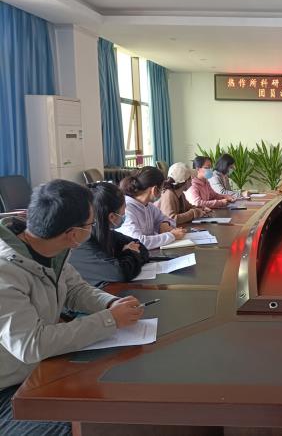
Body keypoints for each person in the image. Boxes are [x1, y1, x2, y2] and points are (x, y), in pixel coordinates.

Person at [0, 180, 143, 435]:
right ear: (74, 233)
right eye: (91, 224)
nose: (93, 228)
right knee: (84, 421)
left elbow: (75, 290)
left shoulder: (50, 248)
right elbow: (31, 344)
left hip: (39, 368)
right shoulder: (5, 272)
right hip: (10, 386)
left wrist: (111, 303)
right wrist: (110, 320)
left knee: (111, 396)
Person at [69, 182, 150, 287]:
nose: (125, 214)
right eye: (123, 211)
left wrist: (126, 257)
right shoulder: (83, 240)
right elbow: (119, 273)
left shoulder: (107, 233)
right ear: (112, 217)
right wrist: (130, 252)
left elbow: (140, 247)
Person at [117, 166, 185, 250]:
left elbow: (170, 220)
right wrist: (172, 235)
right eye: (162, 189)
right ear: (155, 190)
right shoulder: (126, 209)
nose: (163, 192)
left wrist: (164, 223)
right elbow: (138, 241)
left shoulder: (148, 206)